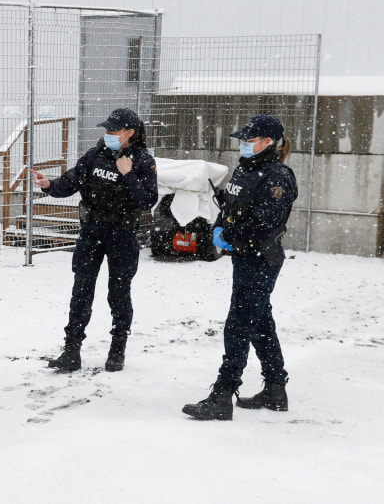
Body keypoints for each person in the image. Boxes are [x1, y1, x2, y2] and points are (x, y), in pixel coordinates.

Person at [182, 115, 298, 421]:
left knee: (238, 325)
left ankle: (223, 394)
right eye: (242, 141)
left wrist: (229, 235)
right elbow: (230, 206)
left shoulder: (278, 177)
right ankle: (275, 388)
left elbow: (266, 223)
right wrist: (220, 228)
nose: (243, 145)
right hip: (243, 256)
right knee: (259, 322)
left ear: (268, 142)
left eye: (249, 141)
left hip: (261, 259)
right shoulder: (246, 169)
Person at [31, 108, 158, 372]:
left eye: (114, 131)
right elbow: (70, 182)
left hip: (122, 235)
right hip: (92, 232)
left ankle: (117, 349)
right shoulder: (95, 155)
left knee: (119, 293)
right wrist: (48, 185)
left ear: (130, 133)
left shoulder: (143, 160)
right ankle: (71, 351)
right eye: (107, 130)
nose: (108, 134)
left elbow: (147, 200)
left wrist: (129, 174)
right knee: (81, 290)